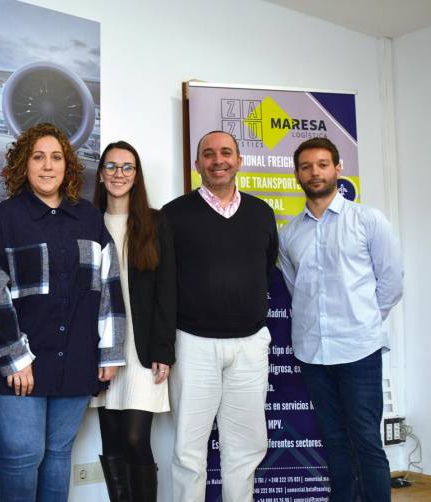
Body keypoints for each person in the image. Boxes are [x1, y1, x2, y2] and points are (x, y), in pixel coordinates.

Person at [0, 122, 126, 502]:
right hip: (16, 364)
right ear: (24, 166)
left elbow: (109, 286)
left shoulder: (89, 218)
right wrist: (16, 358)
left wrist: (110, 351)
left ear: (68, 166)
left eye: (56, 157)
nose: (47, 166)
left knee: (58, 456)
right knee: (22, 457)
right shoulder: (6, 218)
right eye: (38, 157)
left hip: (74, 357)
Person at [279, 138, 402, 502]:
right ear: (297, 174)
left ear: (337, 168)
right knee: (332, 440)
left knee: (366, 440)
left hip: (359, 350)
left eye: (322, 164)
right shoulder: (290, 234)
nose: (314, 172)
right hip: (313, 353)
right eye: (306, 166)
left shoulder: (367, 220)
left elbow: (391, 283)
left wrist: (362, 320)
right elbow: (294, 287)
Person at [162, 130, 278, 502]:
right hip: (194, 345)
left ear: (239, 160)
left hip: (249, 346)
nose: (218, 160)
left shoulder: (261, 213)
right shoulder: (174, 214)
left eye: (226, 152)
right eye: (208, 154)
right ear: (198, 164)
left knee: (245, 450)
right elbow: (163, 284)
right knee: (188, 451)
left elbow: (268, 265)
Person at [89, 141, 175, 502]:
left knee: (136, 437)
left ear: (136, 175)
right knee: (111, 440)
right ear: (100, 174)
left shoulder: (155, 222)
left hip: (141, 350)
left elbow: (167, 291)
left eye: (127, 167)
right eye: (111, 167)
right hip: (101, 347)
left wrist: (163, 349)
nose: (119, 174)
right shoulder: (87, 221)